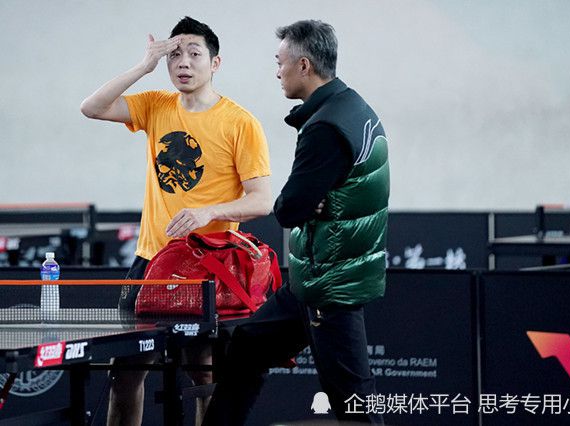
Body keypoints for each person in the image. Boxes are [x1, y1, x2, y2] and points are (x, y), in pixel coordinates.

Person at [80, 16, 272, 426]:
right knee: (125, 375)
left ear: (215, 63)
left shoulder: (240, 123)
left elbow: (262, 200)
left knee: (204, 376)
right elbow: (91, 108)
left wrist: (209, 212)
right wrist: (143, 65)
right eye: (175, 55)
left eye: (194, 54)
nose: (183, 63)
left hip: (205, 271)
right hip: (149, 263)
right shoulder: (155, 104)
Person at [203, 19, 389, 425]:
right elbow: (310, 200)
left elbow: (287, 208)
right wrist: (319, 201)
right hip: (313, 280)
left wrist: (315, 202)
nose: (276, 71)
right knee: (248, 346)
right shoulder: (352, 105)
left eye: (279, 61)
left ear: (303, 65)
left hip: (330, 284)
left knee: (354, 404)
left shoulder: (324, 127)